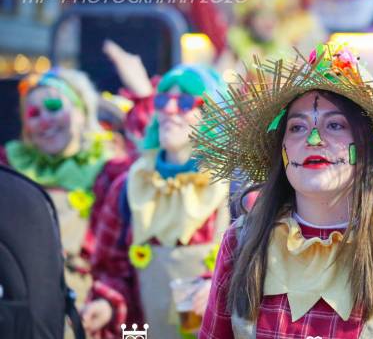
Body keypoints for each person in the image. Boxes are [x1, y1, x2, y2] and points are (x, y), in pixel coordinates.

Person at [195, 43, 373, 338]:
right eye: (296, 127)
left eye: (335, 125)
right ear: (281, 148)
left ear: (369, 145)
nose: (314, 139)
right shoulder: (241, 242)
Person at [82, 65, 231, 338]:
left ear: (213, 117)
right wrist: (106, 304)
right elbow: (112, 272)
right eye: (162, 99)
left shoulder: (235, 190)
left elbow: (262, 270)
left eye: (186, 101)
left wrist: (221, 287)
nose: (170, 110)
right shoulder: (129, 186)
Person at [2, 68, 113, 310]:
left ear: (81, 112)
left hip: (85, 307)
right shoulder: (8, 166)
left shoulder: (111, 171)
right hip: (21, 308)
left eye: (54, 106)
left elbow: (119, 263)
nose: (45, 120)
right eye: (33, 113)